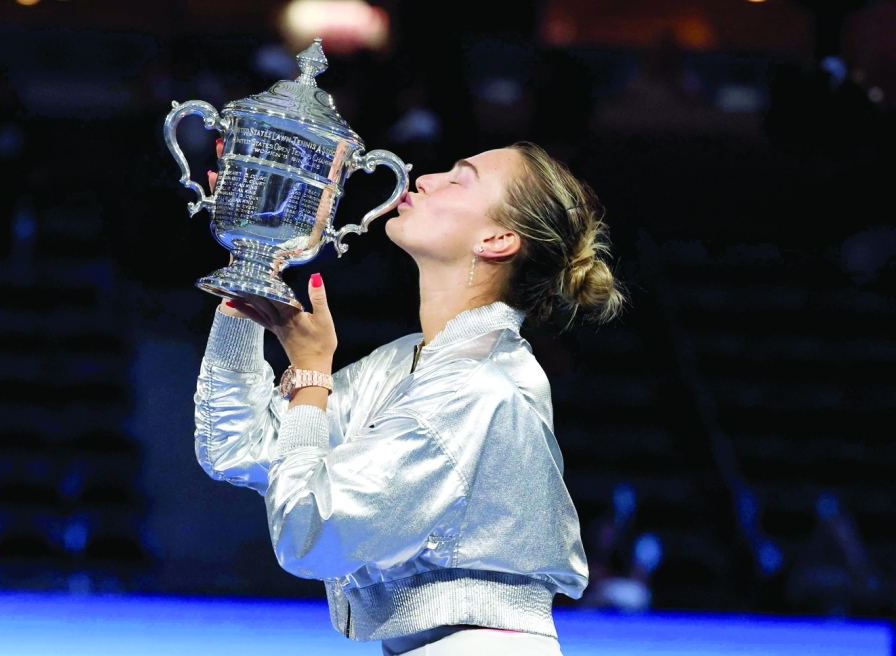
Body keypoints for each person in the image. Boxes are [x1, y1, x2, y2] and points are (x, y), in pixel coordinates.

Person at [193, 141, 624, 655]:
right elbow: (239, 446)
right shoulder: (407, 364)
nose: (425, 178)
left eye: (459, 178)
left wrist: (312, 374)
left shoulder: (477, 384)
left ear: (497, 239)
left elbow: (310, 531)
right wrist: (256, 262)